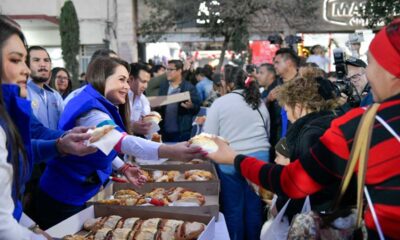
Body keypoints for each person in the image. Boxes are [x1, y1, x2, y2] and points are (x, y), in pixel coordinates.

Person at [207, 19, 400, 239]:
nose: (367, 75)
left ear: (391, 69)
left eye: (371, 64)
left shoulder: (360, 126)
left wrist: (234, 159)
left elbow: (292, 181)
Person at [36, 57, 205, 229]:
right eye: (122, 80)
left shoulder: (97, 101)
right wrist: (170, 151)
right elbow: (119, 141)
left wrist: (123, 167)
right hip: (63, 195)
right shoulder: (91, 111)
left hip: (80, 190)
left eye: (128, 80)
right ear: (102, 78)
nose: (127, 86)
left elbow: (104, 144)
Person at [0, 15, 95, 240]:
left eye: (25, 60)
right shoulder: (21, 99)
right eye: (16, 60)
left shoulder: (49, 97)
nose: (25, 70)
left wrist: (30, 227)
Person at [204, 67, 270, 240]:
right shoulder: (259, 102)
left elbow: (208, 136)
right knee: (255, 208)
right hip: (259, 160)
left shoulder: (220, 103)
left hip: (230, 160)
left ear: (230, 83)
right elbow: (267, 131)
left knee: (233, 208)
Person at [158, 60, 201, 142]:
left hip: (182, 132)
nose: (167, 72)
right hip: (164, 131)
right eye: (167, 69)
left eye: (171, 70)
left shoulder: (188, 87)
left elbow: (197, 107)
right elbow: (159, 104)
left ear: (179, 71)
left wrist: (191, 106)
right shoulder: (164, 86)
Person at [26, 46, 63, 130]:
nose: (43, 64)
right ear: (26, 65)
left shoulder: (56, 96)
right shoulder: (23, 93)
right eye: (36, 60)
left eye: (46, 60)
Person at [128, 62, 152, 136]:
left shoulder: (143, 99)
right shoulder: (118, 98)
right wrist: (130, 126)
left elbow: (147, 125)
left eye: (147, 82)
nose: (146, 86)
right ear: (131, 79)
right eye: (143, 81)